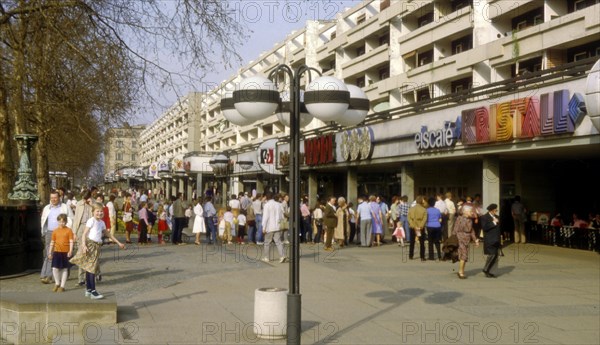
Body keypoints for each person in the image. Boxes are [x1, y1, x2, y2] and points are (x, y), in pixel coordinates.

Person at [70, 202, 125, 300]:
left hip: (97, 246)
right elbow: (84, 234)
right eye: (97, 211)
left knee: (89, 267)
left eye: (101, 211)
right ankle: (93, 290)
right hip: (90, 245)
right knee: (91, 268)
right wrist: (84, 245)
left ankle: (88, 289)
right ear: (93, 212)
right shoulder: (91, 221)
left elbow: (108, 234)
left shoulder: (102, 222)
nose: (99, 213)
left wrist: (118, 242)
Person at [40, 191, 73, 284]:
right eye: (52, 198)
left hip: (63, 233)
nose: (53, 199)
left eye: (55, 197)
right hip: (50, 233)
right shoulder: (47, 208)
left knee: (63, 254)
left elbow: (71, 218)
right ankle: (46, 275)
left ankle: (65, 272)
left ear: (59, 198)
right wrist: (43, 232)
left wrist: (69, 231)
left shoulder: (64, 207)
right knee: (49, 254)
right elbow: (43, 220)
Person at [47, 213, 74, 292]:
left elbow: (71, 241)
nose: (61, 223)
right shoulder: (55, 231)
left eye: (63, 222)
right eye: (59, 221)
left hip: (65, 251)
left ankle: (62, 286)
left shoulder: (69, 230)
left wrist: (70, 250)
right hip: (57, 251)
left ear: (66, 222)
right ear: (57, 221)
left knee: (65, 269)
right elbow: (52, 241)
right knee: (55, 268)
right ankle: (57, 283)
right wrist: (49, 252)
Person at [453, 205, 480, 279]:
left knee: (464, 256)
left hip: (467, 239)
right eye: (470, 211)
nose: (472, 213)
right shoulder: (459, 218)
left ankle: (461, 271)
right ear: (465, 212)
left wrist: (475, 240)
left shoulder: (470, 220)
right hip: (460, 238)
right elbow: (455, 229)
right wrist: (453, 239)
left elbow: (471, 230)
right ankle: (460, 272)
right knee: (464, 255)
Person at [261, 192, 287, 263]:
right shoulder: (278, 204)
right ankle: (282, 255)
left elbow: (265, 217)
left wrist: (264, 227)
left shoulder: (267, 205)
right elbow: (282, 216)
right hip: (277, 226)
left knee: (267, 242)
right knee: (278, 241)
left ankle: (266, 257)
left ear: (266, 197)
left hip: (269, 226)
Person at [481, 203, 501, 278]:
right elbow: (485, 227)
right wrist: (493, 222)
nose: (496, 211)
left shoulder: (497, 217)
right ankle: (486, 269)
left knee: (495, 255)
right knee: (492, 254)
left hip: (496, 239)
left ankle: (488, 270)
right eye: (496, 210)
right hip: (489, 239)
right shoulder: (484, 217)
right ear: (491, 210)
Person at [408, 195, 427, 261]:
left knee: (412, 242)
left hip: (413, 226)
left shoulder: (411, 209)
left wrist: (413, 225)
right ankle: (422, 256)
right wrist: (420, 226)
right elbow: (424, 219)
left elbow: (409, 218)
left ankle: (411, 255)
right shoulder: (424, 209)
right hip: (420, 227)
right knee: (422, 242)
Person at [426, 197, 443, 261]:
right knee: (437, 241)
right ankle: (439, 255)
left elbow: (426, 218)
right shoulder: (437, 210)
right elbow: (440, 218)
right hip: (437, 226)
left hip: (430, 226)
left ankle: (431, 256)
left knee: (430, 242)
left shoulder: (427, 210)